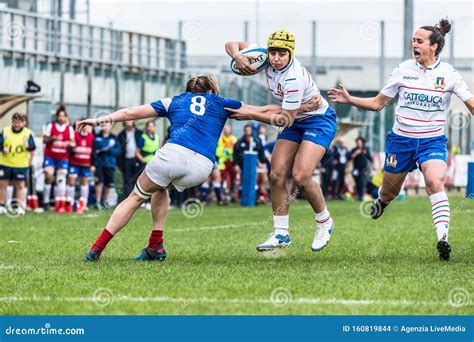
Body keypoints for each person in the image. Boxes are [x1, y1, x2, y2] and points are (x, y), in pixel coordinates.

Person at [77, 76, 286, 262]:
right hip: (202, 166)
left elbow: (132, 112)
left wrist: (98, 120)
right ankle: (155, 246)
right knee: (160, 188)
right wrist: (297, 106)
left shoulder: (174, 101)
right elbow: (262, 110)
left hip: (172, 155)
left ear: (188, 91)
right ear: (211, 91)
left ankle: (97, 248)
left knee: (135, 197)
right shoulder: (221, 102)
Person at [328, 19, 474, 261]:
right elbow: (377, 103)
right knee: (389, 191)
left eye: (419, 41)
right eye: (412, 41)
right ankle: (382, 202)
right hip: (401, 141)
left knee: (434, 182)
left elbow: (470, 104)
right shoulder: (403, 70)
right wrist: (349, 98)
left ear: (434, 46)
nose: (413, 44)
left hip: (432, 141)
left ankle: (443, 238)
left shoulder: (449, 75)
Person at [225, 29, 337, 252]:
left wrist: (250, 113)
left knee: (301, 176)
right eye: (273, 52)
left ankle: (324, 221)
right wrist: (238, 57)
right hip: (294, 116)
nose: (276, 58)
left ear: (291, 54)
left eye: (281, 54)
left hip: (317, 120)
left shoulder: (293, 78)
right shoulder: (265, 57)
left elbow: (284, 119)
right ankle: (281, 234)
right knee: (276, 175)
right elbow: (231, 44)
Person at [0, 113, 36, 216]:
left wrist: (28, 146)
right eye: (15, 122)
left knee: (20, 186)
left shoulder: (27, 133)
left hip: (20, 164)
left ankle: (19, 207)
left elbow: (33, 147)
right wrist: (3, 149)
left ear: (23, 123)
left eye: (19, 122)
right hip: (5, 163)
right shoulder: (5, 131)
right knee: (3, 184)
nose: (17, 124)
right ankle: (2, 205)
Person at [42, 105, 75, 210]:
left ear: (65, 117)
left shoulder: (69, 128)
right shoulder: (50, 126)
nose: (61, 118)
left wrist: (71, 144)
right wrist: (51, 139)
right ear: (57, 117)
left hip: (63, 157)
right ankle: (45, 201)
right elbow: (44, 140)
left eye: (63, 116)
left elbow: (73, 142)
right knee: (49, 175)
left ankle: (58, 202)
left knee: (61, 178)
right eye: (59, 116)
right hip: (50, 156)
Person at [67, 121, 94, 213]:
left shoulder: (91, 136)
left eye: (87, 126)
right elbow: (69, 150)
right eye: (83, 126)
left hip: (86, 164)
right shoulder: (74, 135)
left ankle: (83, 205)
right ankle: (69, 204)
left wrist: (93, 164)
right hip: (74, 163)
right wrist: (72, 148)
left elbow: (93, 152)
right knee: (71, 182)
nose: (85, 128)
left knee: (84, 183)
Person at [93, 122, 121, 209]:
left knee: (109, 184)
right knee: (99, 183)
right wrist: (93, 163)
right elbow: (93, 151)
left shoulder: (114, 138)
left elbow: (118, 151)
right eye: (103, 125)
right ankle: (97, 203)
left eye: (107, 125)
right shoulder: (97, 137)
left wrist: (108, 150)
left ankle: (105, 203)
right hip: (99, 165)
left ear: (110, 127)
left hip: (110, 165)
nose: (105, 127)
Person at [118, 121, 143, 198]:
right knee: (127, 180)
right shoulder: (121, 134)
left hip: (137, 159)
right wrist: (119, 164)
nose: (129, 122)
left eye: (130, 120)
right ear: (124, 123)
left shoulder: (139, 132)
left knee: (138, 180)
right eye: (127, 120)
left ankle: (138, 199)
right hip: (126, 160)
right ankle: (127, 199)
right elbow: (119, 150)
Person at [351, 137, 372, 201]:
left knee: (362, 182)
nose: (359, 144)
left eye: (360, 142)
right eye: (357, 142)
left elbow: (370, 159)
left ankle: (361, 196)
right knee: (357, 182)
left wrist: (371, 168)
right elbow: (350, 157)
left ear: (362, 143)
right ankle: (358, 195)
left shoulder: (365, 149)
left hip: (363, 169)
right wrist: (356, 153)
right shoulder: (354, 149)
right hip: (356, 169)